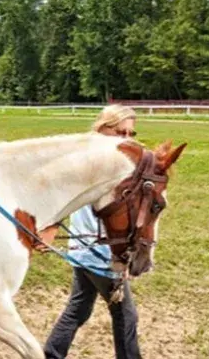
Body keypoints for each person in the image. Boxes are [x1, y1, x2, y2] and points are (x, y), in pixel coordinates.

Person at [44, 104, 141, 359]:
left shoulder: (109, 162)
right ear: (102, 129)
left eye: (132, 134)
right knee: (125, 315)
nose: (127, 139)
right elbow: (61, 194)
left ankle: (52, 353)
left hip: (82, 253)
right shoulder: (93, 164)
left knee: (79, 308)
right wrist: (51, 226)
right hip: (99, 253)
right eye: (121, 132)